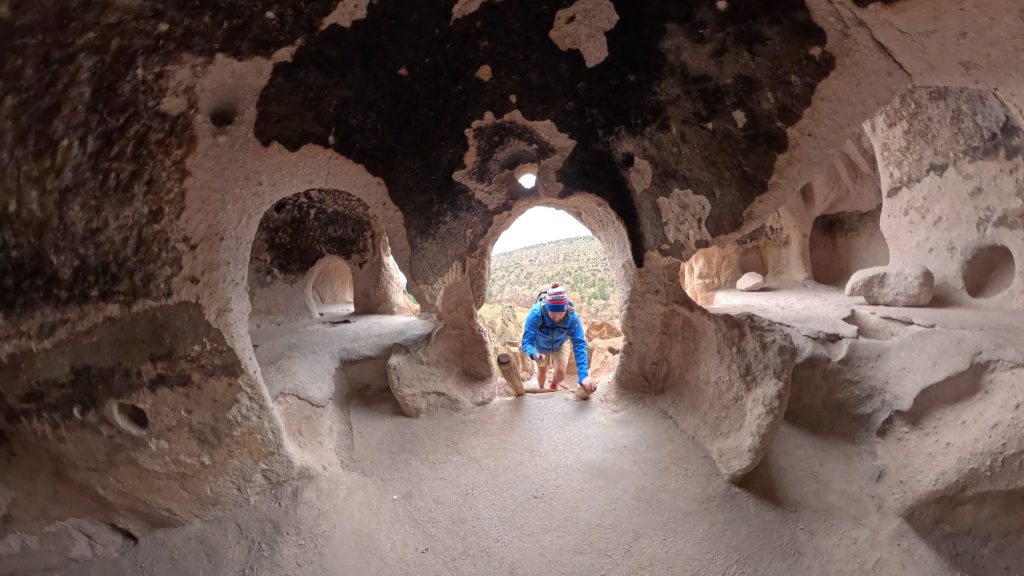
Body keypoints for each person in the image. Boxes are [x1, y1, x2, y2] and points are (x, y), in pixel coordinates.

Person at [520, 283, 597, 393]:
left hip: (561, 343)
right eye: (553, 313)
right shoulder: (536, 313)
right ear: (547, 308)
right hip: (541, 345)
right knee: (542, 371)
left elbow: (579, 343)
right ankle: (541, 389)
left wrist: (584, 376)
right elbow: (527, 341)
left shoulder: (571, 316)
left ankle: (554, 383)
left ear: (566, 309)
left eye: (561, 313)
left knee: (561, 373)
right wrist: (533, 353)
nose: (557, 318)